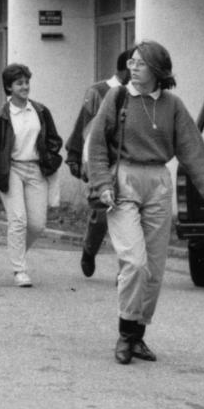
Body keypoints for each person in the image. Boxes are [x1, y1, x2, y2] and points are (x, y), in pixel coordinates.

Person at [86, 41, 204, 365]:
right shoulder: (117, 97)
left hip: (159, 182)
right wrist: (102, 183)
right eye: (131, 62)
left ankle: (138, 336)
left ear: (158, 69)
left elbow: (191, 147)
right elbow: (97, 144)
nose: (133, 67)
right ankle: (124, 333)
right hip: (124, 181)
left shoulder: (172, 104)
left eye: (140, 63)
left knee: (154, 267)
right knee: (133, 261)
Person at [0, 63, 64, 287]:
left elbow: (54, 139)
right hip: (11, 169)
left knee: (37, 224)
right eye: (19, 83)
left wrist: (50, 157)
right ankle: (19, 270)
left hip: (36, 169)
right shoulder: (0, 116)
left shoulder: (40, 111)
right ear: (9, 87)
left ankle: (17, 255)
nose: (25, 86)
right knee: (18, 221)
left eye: (26, 82)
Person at [66, 51, 131, 278]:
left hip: (128, 162)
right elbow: (84, 124)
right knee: (102, 214)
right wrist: (75, 156)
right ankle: (89, 250)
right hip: (101, 160)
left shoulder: (140, 94)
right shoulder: (98, 91)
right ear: (125, 69)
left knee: (130, 217)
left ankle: (125, 270)